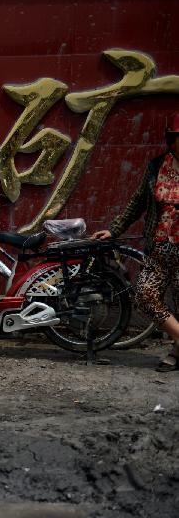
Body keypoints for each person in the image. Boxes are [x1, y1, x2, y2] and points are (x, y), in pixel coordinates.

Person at [92, 113, 179, 373]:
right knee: (144, 295)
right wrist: (114, 229)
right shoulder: (157, 167)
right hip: (160, 247)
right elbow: (138, 202)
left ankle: (176, 352)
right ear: (171, 140)